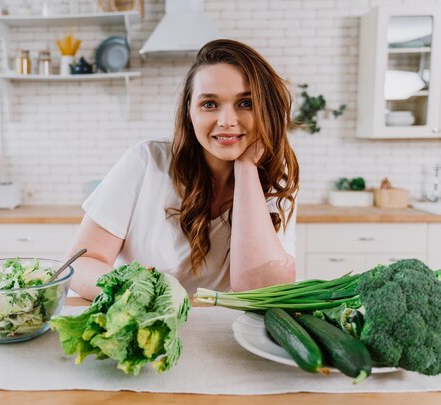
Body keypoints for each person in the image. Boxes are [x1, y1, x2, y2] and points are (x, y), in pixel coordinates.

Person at [68, 39, 300, 301]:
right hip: (141, 319)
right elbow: (82, 264)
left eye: (245, 103)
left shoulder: (275, 180)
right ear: (190, 111)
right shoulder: (146, 161)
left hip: (219, 332)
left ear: (267, 110)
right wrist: (144, 293)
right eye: (210, 104)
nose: (226, 121)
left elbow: (261, 289)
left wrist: (246, 169)